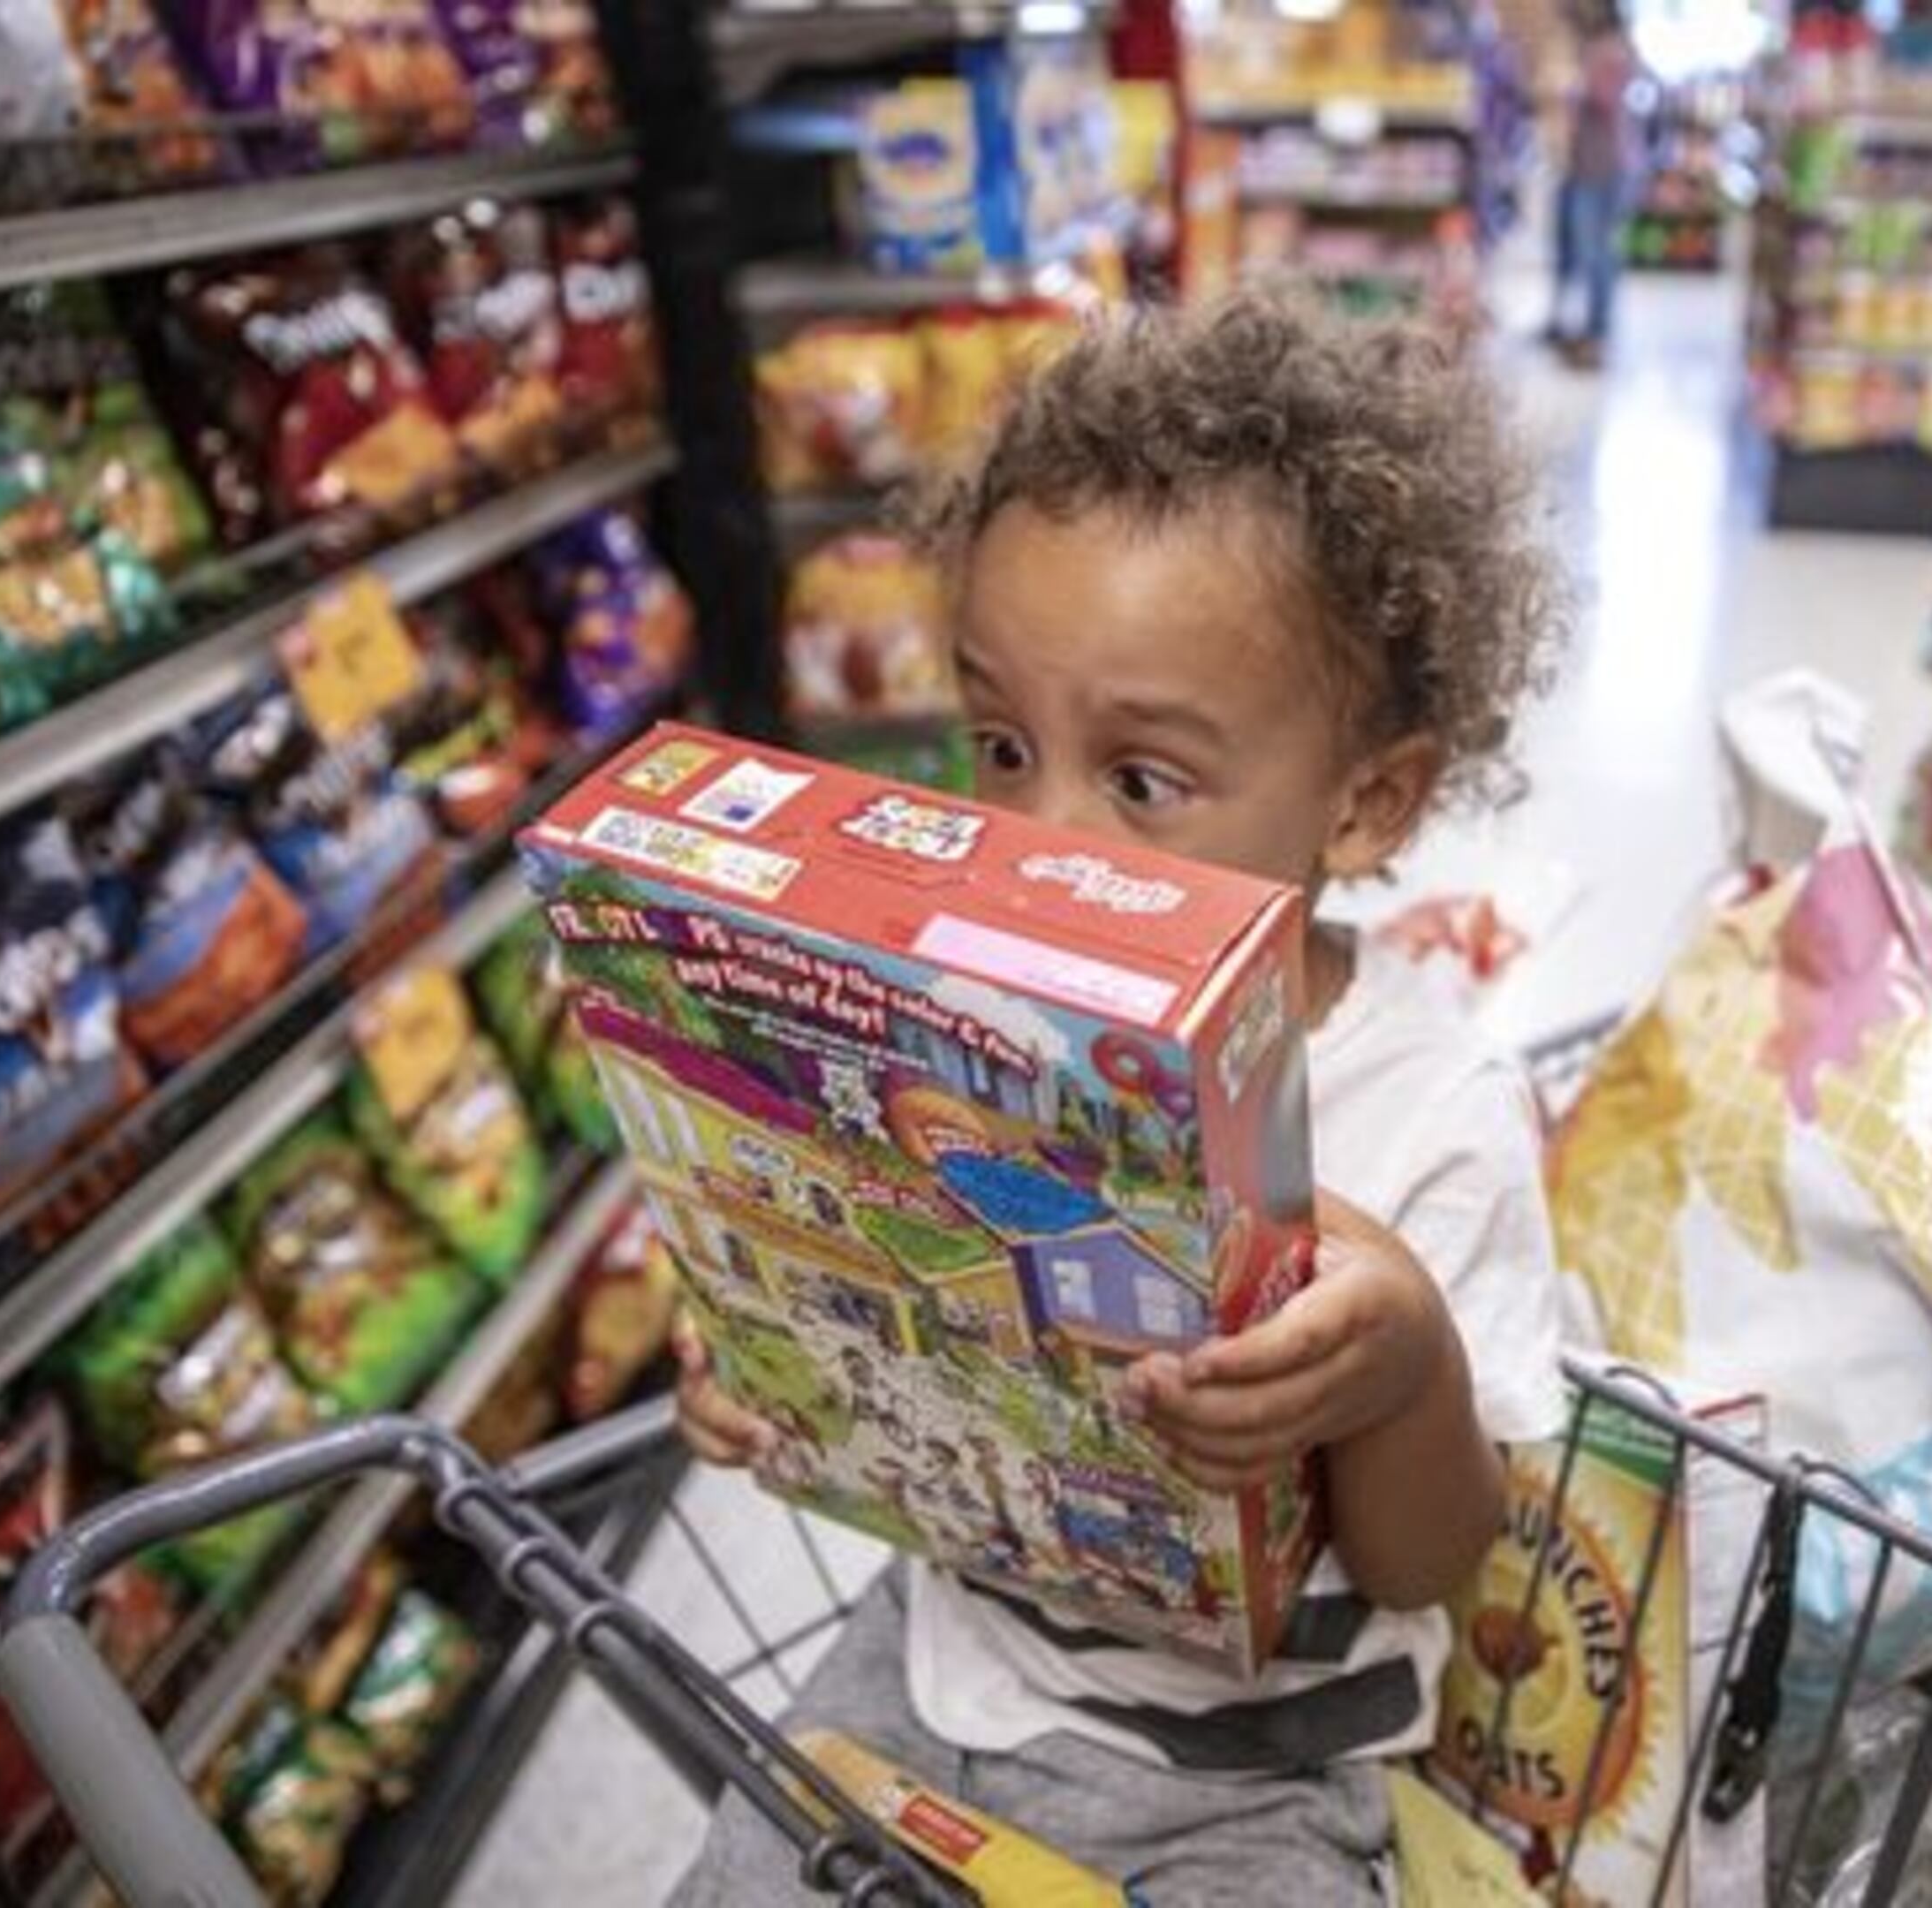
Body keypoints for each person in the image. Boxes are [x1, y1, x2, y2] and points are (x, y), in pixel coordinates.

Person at [666, 290, 1577, 1905]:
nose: (1042, 842)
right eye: (1004, 748)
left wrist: (1402, 1359)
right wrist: (763, 1347)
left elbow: (1437, 1561)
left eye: (1142, 780)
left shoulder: (1430, 1109)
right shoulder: (945, 1029)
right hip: (928, 1667)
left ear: (1366, 803)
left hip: (1257, 1780)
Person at [1549, 1, 1646, 369]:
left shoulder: (1611, 51)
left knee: (1598, 255)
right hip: (1584, 165)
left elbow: (1604, 99)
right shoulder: (1593, 49)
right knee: (1578, 251)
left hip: (1604, 169)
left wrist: (1578, 80)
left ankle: (1597, 335)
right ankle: (1578, 329)